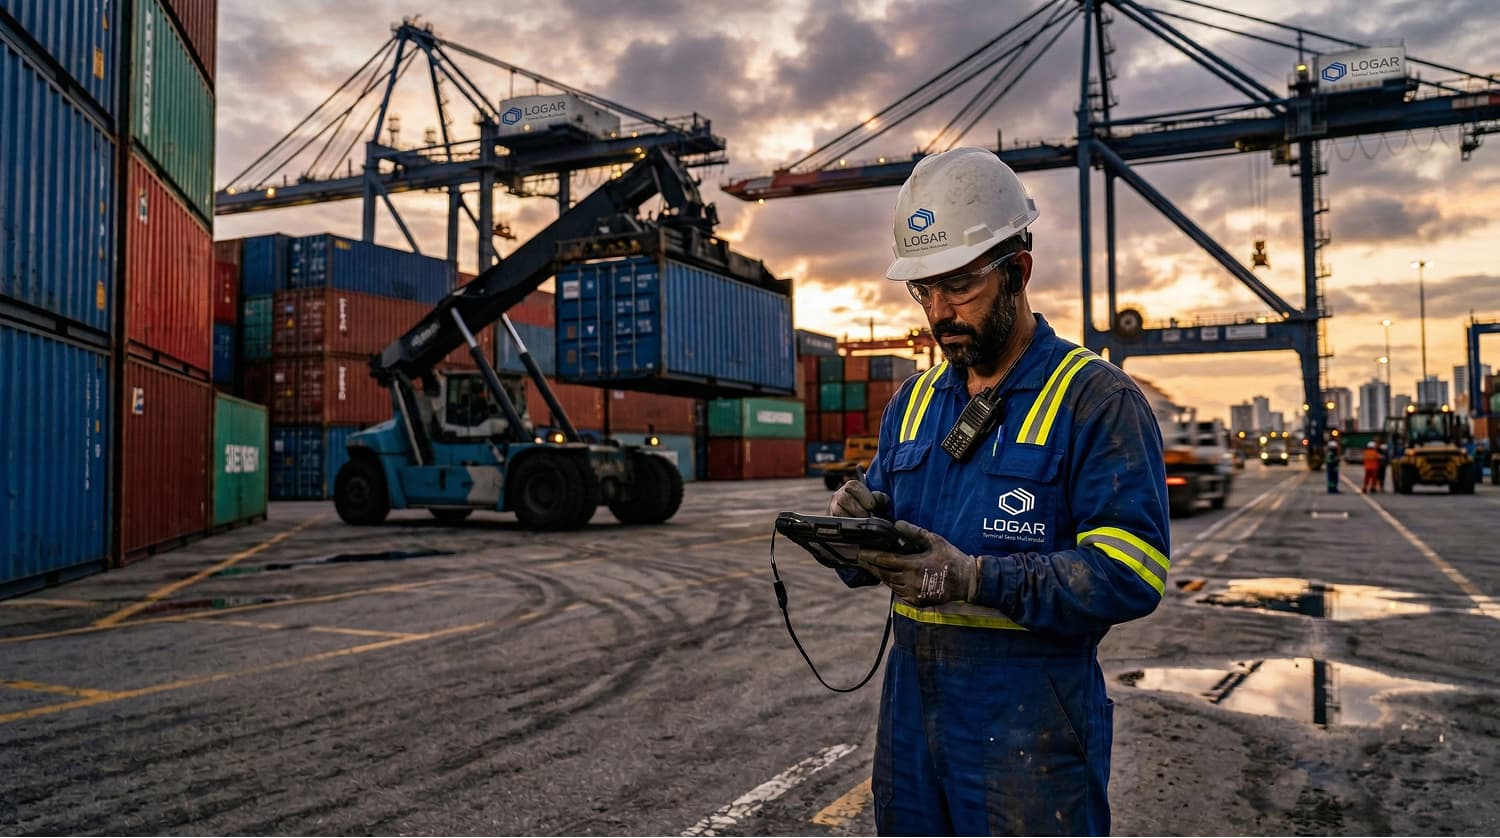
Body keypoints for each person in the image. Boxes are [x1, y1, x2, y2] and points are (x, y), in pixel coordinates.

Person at [827, 148, 1170, 835]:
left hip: (1028, 721)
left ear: (1018, 271)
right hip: (912, 713)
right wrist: (850, 532)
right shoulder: (914, 402)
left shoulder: (1095, 400)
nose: (938, 312)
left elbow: (1132, 571)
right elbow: (883, 548)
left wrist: (976, 579)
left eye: (957, 286)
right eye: (923, 290)